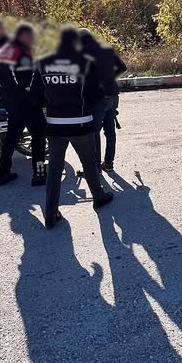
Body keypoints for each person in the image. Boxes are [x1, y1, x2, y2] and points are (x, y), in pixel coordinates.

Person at [32, 26, 114, 229]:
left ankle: (50, 214)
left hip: (54, 125)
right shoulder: (84, 62)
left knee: (54, 169)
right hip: (81, 123)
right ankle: (99, 197)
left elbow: (35, 95)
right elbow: (96, 91)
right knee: (89, 162)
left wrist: (50, 104)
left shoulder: (42, 62)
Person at [0, 22, 45, 187]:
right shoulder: (26, 54)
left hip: (12, 104)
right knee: (39, 138)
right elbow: (34, 79)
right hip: (29, 104)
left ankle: (3, 173)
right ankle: (39, 175)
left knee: (10, 139)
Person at [79, 28, 127, 172]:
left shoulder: (83, 53)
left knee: (94, 133)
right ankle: (109, 164)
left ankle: (95, 168)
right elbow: (123, 67)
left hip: (97, 98)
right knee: (110, 131)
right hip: (113, 94)